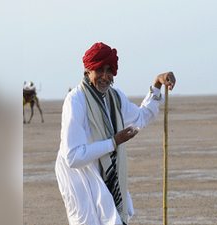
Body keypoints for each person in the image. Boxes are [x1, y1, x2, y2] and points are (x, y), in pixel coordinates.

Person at [54, 42, 176, 225]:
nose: (105, 76)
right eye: (99, 70)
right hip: (82, 182)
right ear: (88, 71)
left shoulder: (114, 97)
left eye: (109, 70)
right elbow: (73, 157)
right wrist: (113, 142)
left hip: (109, 179)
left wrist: (157, 84)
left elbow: (141, 117)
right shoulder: (75, 101)